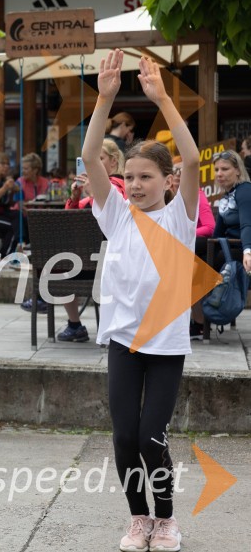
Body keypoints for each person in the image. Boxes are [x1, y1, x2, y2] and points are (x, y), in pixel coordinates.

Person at [85, 51, 198, 552]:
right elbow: (91, 158)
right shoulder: (117, 216)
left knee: (153, 435)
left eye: (145, 178)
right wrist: (104, 98)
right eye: (129, 178)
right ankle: (139, 519)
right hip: (123, 343)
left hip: (166, 342)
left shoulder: (181, 219)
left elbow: (193, 158)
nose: (134, 185)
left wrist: (162, 99)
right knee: (125, 438)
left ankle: (167, 520)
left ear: (167, 182)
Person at [53, 138, 127, 338]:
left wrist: (92, 192)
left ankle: (70, 320)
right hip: (87, 260)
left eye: (98, 159)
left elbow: (112, 209)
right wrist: (75, 197)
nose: (92, 165)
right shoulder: (93, 186)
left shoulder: (119, 184)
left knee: (60, 264)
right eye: (89, 162)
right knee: (60, 262)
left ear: (113, 162)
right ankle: (74, 325)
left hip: (110, 259)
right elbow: (70, 218)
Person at [191, 149, 251, 338]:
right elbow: (216, 234)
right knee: (188, 251)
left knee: (196, 267)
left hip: (240, 250)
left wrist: (248, 250)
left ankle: (201, 322)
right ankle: (199, 320)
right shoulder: (227, 195)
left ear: (238, 171)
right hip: (227, 247)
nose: (219, 174)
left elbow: (248, 224)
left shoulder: (245, 190)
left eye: (225, 169)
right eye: (216, 170)